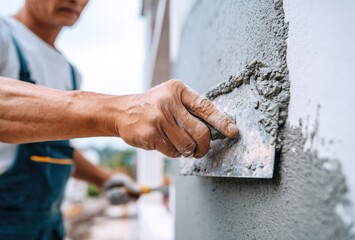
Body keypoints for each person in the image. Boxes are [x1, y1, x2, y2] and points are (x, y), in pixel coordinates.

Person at [0, 0, 239, 239]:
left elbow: (53, 149)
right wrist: (118, 112)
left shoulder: (68, 71)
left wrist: (105, 178)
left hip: (47, 227)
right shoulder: (5, 34)